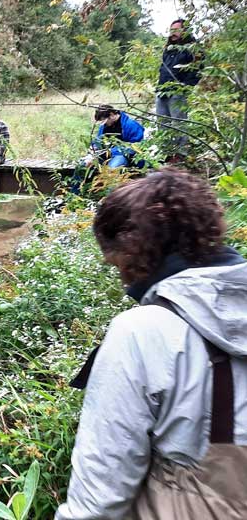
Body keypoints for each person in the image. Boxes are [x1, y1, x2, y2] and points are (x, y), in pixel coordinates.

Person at [57, 170, 247, 520]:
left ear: (133, 248)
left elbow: (100, 497)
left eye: (114, 261)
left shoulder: (143, 331)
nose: (119, 276)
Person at [156, 18, 200, 155]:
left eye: (177, 30)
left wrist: (185, 86)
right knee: (162, 125)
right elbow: (163, 69)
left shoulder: (191, 49)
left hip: (178, 93)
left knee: (179, 125)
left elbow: (197, 70)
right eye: (171, 30)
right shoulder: (168, 50)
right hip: (162, 91)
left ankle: (181, 155)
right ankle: (165, 155)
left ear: (185, 31)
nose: (173, 33)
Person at [89, 105, 145, 169]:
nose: (104, 124)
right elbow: (98, 140)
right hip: (104, 155)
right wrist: (94, 148)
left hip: (123, 156)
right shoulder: (104, 126)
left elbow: (136, 146)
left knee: (111, 169)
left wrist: (111, 151)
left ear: (112, 115)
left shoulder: (131, 125)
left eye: (104, 121)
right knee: (83, 165)